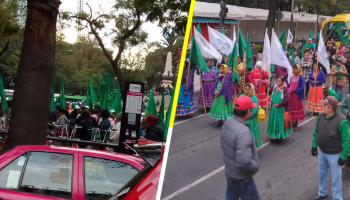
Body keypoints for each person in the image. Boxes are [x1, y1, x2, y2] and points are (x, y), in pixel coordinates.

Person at [220, 95, 261, 200]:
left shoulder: (228, 121)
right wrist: (256, 166)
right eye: (251, 109)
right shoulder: (243, 132)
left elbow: (222, 144)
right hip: (241, 177)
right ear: (248, 111)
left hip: (230, 171)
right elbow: (244, 162)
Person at [310, 96, 350, 200]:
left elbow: (346, 141)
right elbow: (316, 131)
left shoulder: (342, 121)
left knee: (336, 178)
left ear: (330, 108)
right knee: (322, 173)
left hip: (335, 155)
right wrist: (314, 145)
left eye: (324, 105)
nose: (322, 107)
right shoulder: (321, 116)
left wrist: (344, 157)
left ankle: (337, 198)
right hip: (322, 151)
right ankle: (322, 192)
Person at [267, 76, 293, 144]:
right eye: (277, 81)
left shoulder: (285, 89)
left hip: (281, 109)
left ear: (283, 82)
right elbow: (268, 92)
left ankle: (280, 137)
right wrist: (267, 87)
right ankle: (275, 136)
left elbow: (287, 99)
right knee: (274, 122)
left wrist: (279, 104)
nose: (278, 82)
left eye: (280, 81)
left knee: (280, 123)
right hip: (274, 109)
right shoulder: (274, 87)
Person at [240, 83, 262, 148]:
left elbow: (255, 111)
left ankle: (251, 148)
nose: (246, 91)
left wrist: (247, 116)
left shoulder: (254, 99)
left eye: (248, 89)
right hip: (242, 119)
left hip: (250, 120)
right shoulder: (241, 96)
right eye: (245, 89)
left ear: (251, 90)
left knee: (250, 134)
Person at [289, 64, 305, 131]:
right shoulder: (291, 76)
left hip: (296, 96)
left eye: (295, 69)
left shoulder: (301, 77)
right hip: (291, 96)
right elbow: (288, 84)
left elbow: (302, 87)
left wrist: (295, 90)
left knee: (296, 110)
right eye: (293, 69)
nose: (294, 70)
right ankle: (292, 123)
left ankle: (296, 124)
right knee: (291, 109)